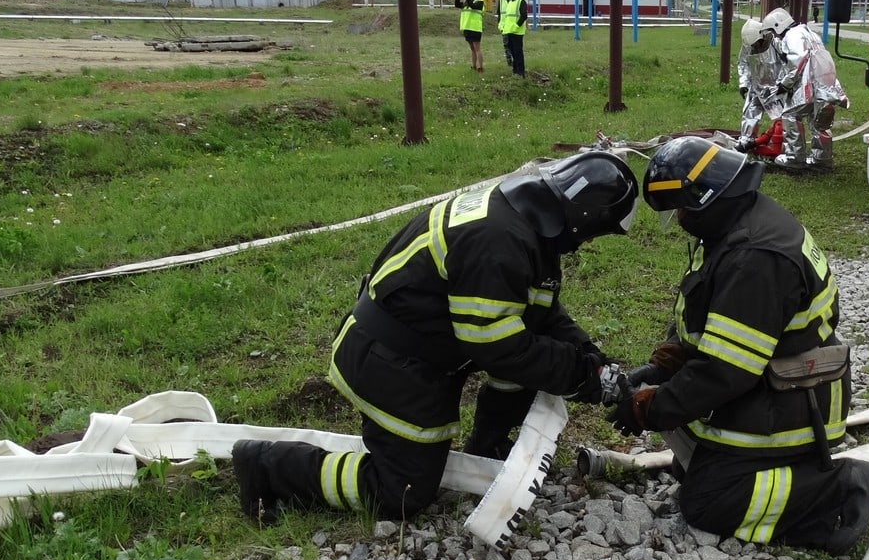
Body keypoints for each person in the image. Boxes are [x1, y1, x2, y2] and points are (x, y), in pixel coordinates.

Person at [232, 152, 640, 525]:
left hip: (423, 352)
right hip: (389, 363)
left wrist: (591, 355)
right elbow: (501, 348)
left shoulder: (522, 219)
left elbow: (539, 312)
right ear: (582, 219)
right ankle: (269, 466)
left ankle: (486, 445)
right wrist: (585, 378)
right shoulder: (498, 242)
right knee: (404, 492)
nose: (585, 244)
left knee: (527, 361)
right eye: (593, 234)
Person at [607, 136, 869, 554]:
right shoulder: (743, 223)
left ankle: (839, 488)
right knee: (697, 469)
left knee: (706, 501)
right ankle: (771, 471)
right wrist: (665, 366)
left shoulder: (755, 258)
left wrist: (650, 407)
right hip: (778, 381)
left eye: (683, 209)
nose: (680, 219)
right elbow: (720, 322)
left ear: (706, 200)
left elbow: (726, 370)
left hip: (795, 402)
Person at [737, 7, 849, 172]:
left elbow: (798, 60)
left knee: (790, 116)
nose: (776, 36)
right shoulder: (808, 32)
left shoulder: (792, 35)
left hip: (812, 84)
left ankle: (794, 158)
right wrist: (745, 82)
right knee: (819, 123)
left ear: (777, 25)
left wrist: (785, 84)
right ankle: (822, 159)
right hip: (826, 84)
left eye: (774, 32)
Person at [736, 17, 797, 164]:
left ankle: (786, 146)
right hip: (756, 86)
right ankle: (746, 140)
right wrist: (743, 83)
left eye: (757, 43)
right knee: (750, 112)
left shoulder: (777, 44)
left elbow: (787, 65)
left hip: (775, 88)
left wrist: (783, 86)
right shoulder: (748, 46)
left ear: (762, 36)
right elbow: (743, 64)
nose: (755, 47)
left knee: (782, 118)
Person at [497, 0, 528, 76]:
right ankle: (515, 70)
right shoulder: (510, 1)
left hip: (517, 32)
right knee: (512, 52)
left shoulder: (520, 0)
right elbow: (505, 16)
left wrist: (516, 26)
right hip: (509, 30)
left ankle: (520, 71)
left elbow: (524, 15)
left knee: (518, 52)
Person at [455, 0, 486, 72]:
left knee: (477, 49)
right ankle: (474, 66)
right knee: (472, 49)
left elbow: (473, 6)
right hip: (467, 27)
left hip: (475, 28)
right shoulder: (467, 1)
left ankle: (481, 67)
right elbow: (458, 5)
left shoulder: (480, 1)